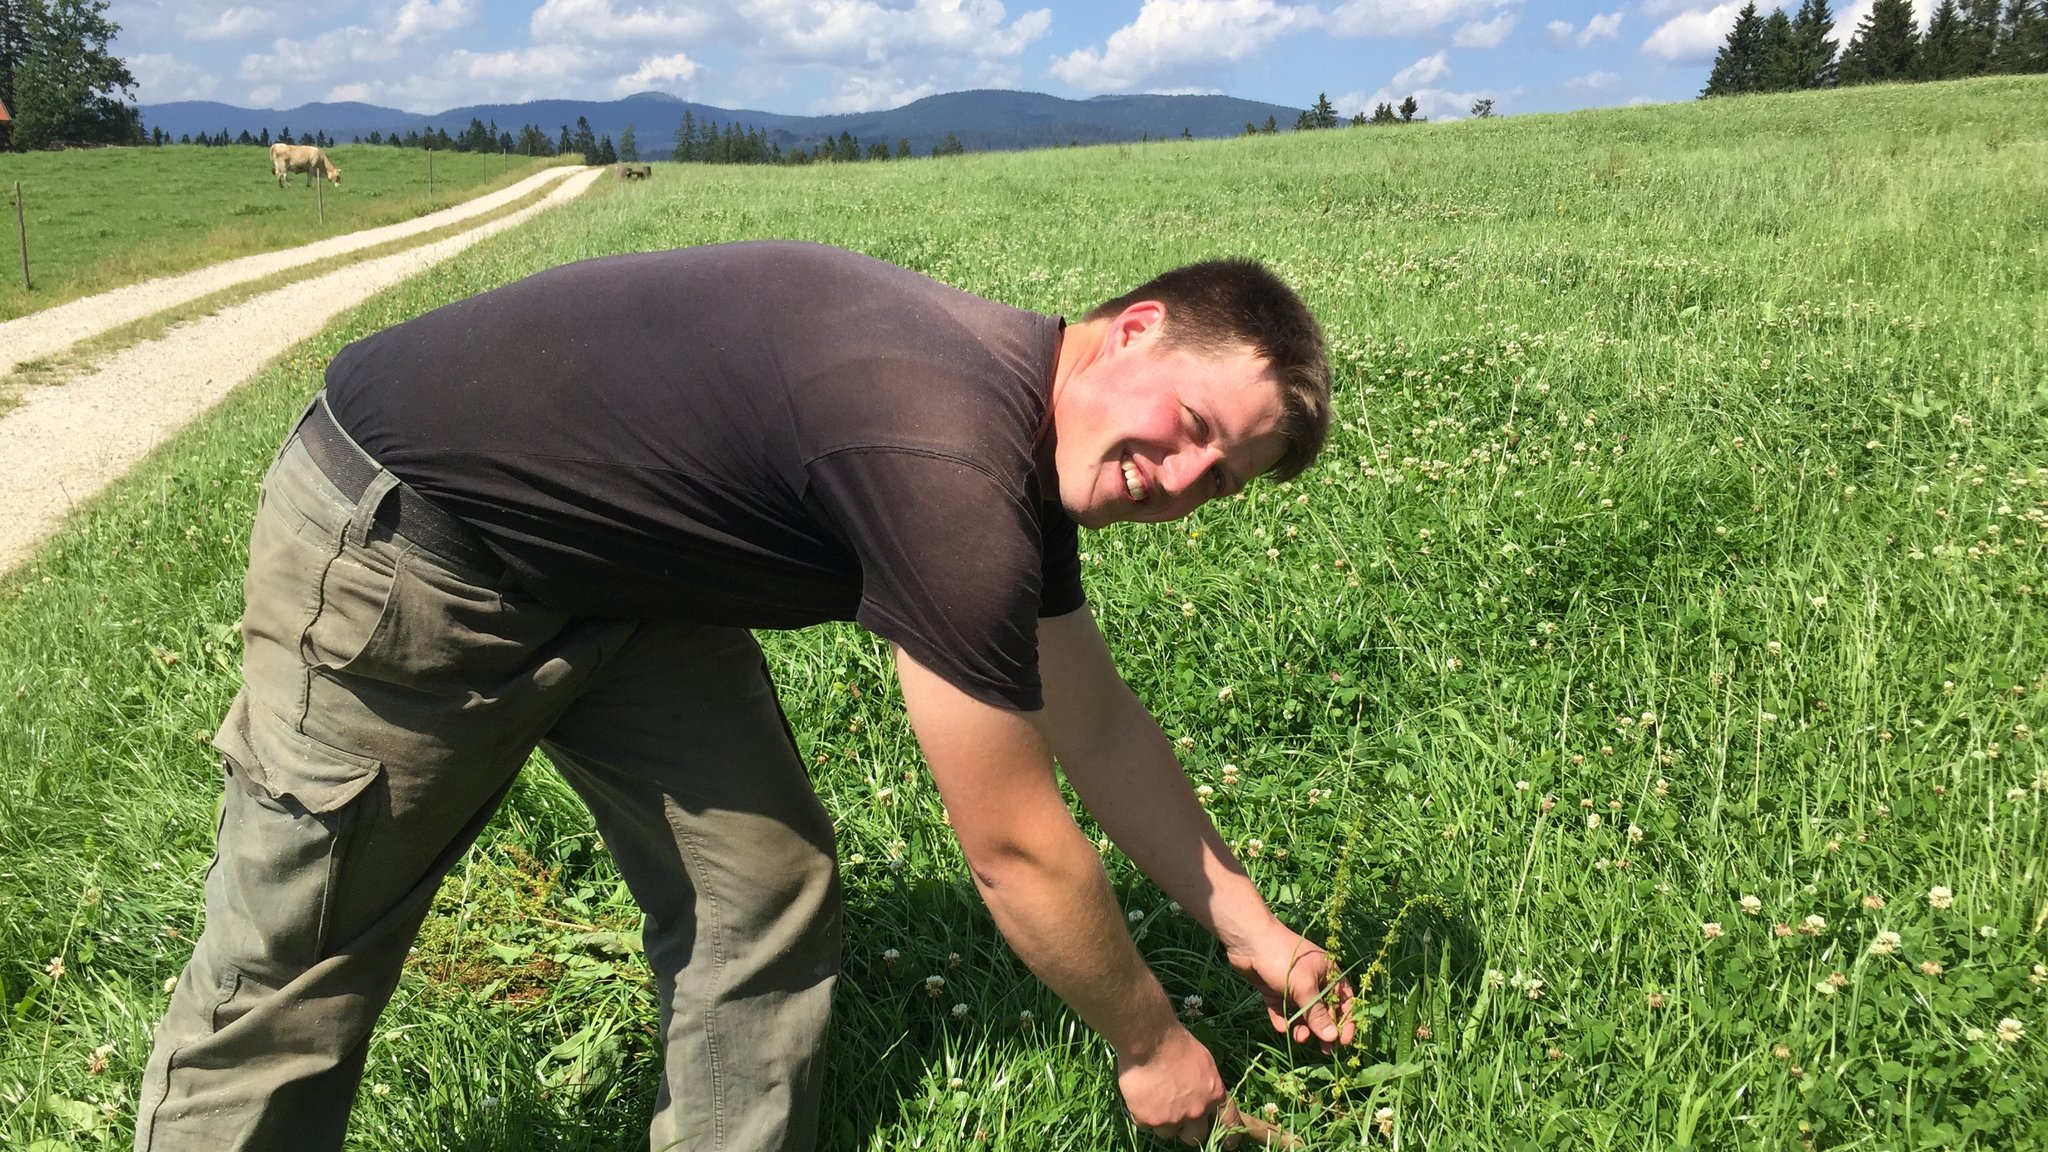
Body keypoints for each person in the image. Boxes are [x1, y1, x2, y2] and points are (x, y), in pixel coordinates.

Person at [134, 240, 1351, 1151]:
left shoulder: (1032, 430)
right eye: (1190, 425)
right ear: (1132, 330)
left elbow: (1095, 722)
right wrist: (1151, 1049)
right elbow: (1016, 851)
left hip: (626, 571)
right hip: (413, 542)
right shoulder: (944, 458)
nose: (1180, 480)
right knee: (295, 967)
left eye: (1220, 479)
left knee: (758, 891)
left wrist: (1254, 930)